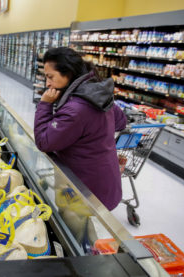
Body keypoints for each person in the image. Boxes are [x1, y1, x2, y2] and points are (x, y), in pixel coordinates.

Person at [34, 47, 127, 211]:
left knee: (75, 230)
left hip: (84, 188)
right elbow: (120, 122)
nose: (47, 83)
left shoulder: (75, 109)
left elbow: (44, 141)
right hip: (104, 180)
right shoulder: (97, 93)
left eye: (50, 77)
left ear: (68, 73)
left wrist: (45, 104)